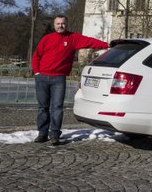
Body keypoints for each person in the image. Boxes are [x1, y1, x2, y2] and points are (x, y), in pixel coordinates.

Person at [31, 14, 108, 145]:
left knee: (57, 107)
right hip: (42, 77)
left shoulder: (73, 38)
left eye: (63, 23)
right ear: (54, 25)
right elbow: (36, 56)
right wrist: (37, 72)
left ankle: (54, 134)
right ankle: (42, 134)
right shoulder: (47, 38)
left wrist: (107, 44)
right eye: (58, 23)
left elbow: (90, 41)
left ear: (66, 24)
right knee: (43, 107)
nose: (60, 26)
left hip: (59, 79)